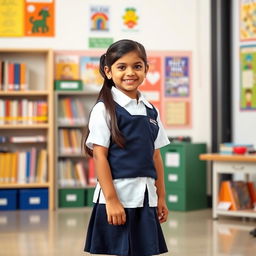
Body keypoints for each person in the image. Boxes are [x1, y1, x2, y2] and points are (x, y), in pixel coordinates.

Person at [83, 39, 169, 256]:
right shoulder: (103, 110)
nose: (130, 72)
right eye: (122, 67)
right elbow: (99, 157)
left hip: (145, 198)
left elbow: (156, 156)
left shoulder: (151, 111)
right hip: (117, 199)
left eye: (137, 66)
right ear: (108, 71)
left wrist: (161, 197)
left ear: (146, 70)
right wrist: (111, 200)